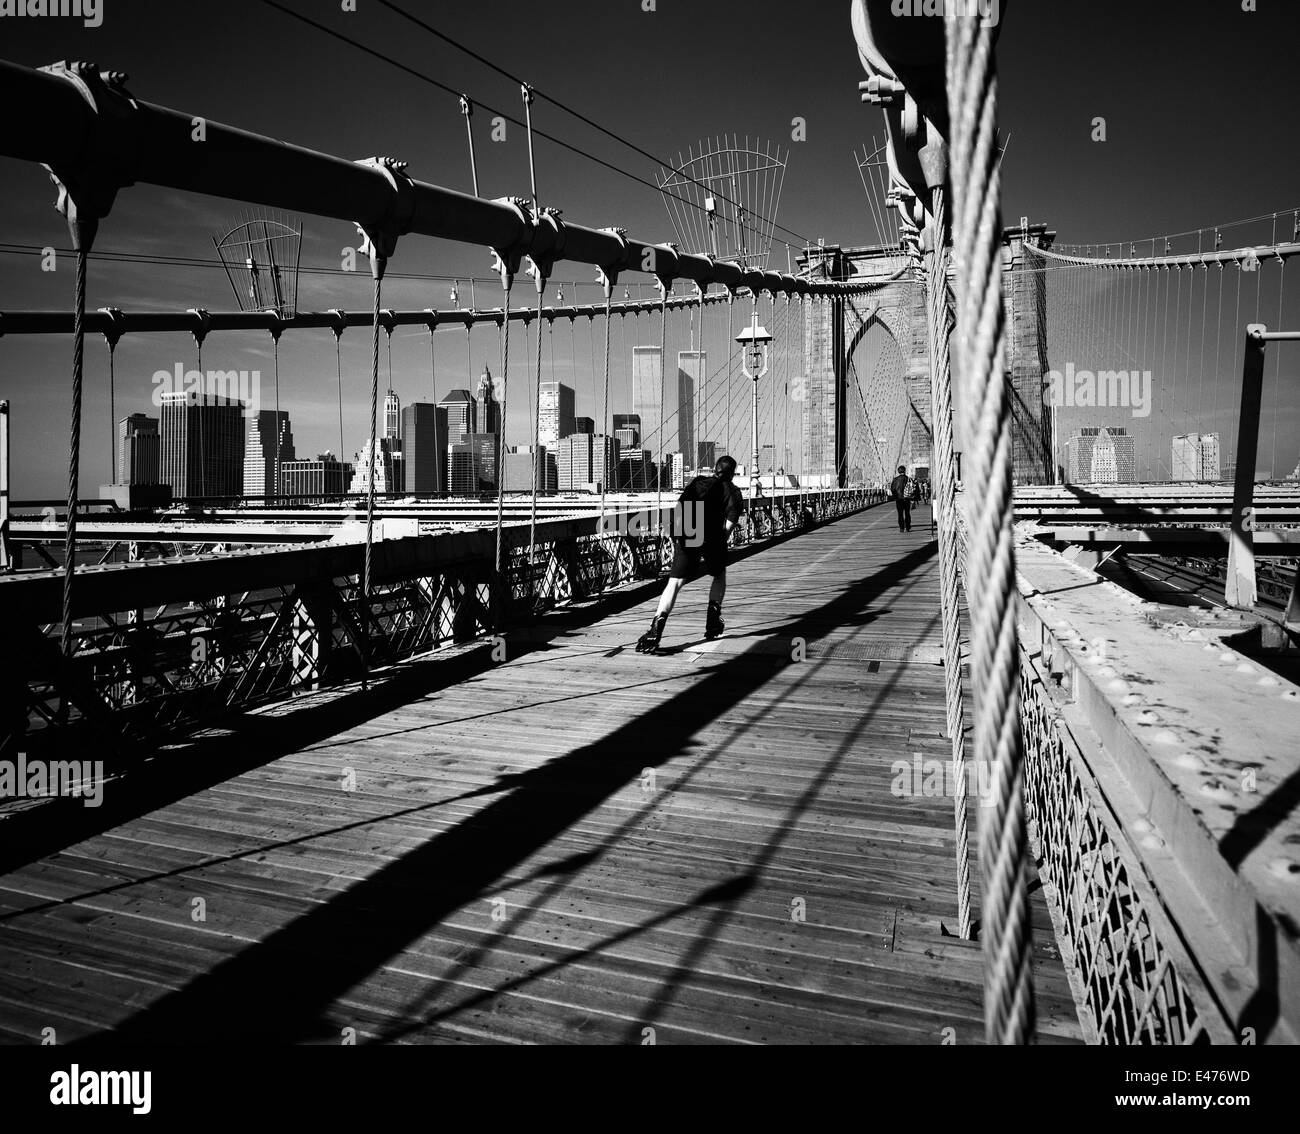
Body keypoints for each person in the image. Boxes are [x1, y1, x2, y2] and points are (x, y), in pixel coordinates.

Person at [636, 455, 743, 653]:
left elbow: (680, 510)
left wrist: (678, 538)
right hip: (713, 536)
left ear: (714, 468)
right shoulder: (733, 493)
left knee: (674, 582)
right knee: (719, 574)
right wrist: (717, 547)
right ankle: (713, 618)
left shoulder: (698, 482)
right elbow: (728, 527)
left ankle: (656, 627)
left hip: (688, 533)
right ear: (733, 473)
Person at [889, 464, 914, 533]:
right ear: (905, 471)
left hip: (899, 499)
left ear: (898, 471)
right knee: (907, 513)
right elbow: (913, 488)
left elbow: (893, 489)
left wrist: (895, 496)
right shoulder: (909, 479)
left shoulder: (895, 480)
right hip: (907, 498)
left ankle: (901, 528)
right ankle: (908, 527)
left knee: (900, 514)